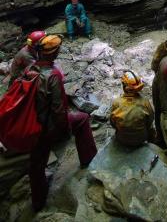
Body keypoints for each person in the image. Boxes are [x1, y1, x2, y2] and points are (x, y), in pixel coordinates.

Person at [29, 34, 97, 212]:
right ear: (54, 53)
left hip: (31, 122)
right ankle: (89, 159)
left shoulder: (30, 68)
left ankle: (38, 202)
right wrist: (64, 130)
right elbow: (58, 110)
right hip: (46, 125)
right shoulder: (53, 75)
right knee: (81, 119)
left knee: (37, 162)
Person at [110, 71, 155, 147]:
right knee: (152, 129)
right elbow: (150, 120)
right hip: (140, 139)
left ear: (124, 86)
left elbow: (113, 123)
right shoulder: (145, 102)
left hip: (122, 139)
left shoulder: (116, 102)